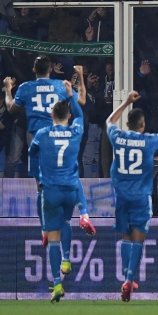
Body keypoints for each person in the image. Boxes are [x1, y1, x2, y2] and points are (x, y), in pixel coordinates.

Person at [4, 56, 94, 270]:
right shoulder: (60, 86)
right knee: (70, 175)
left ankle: (44, 228)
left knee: (41, 187)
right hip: (62, 134)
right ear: (52, 69)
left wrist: (7, 89)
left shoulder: (25, 88)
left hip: (38, 136)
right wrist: (80, 77)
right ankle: (79, 215)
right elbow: (81, 102)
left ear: (34, 68)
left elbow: (10, 109)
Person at [105, 91, 158, 302]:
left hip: (122, 197)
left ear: (128, 124)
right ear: (142, 125)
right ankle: (129, 278)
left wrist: (126, 102)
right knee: (139, 239)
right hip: (140, 197)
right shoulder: (148, 141)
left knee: (126, 238)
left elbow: (109, 120)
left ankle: (126, 277)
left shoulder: (118, 137)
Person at [29, 99, 90, 302]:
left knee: (51, 236)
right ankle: (66, 258)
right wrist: (71, 94)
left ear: (52, 116)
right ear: (69, 116)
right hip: (70, 189)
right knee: (66, 222)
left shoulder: (43, 134)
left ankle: (57, 283)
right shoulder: (75, 131)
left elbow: (32, 152)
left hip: (51, 190)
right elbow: (81, 116)